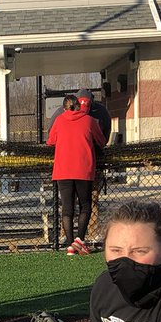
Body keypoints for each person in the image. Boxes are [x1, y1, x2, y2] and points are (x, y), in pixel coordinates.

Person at [47, 94, 106, 255]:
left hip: (63, 170)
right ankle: (80, 239)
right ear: (78, 106)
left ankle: (70, 244)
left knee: (67, 208)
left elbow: (50, 141)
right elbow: (102, 141)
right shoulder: (89, 120)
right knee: (85, 205)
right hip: (83, 169)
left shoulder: (59, 120)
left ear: (65, 107)